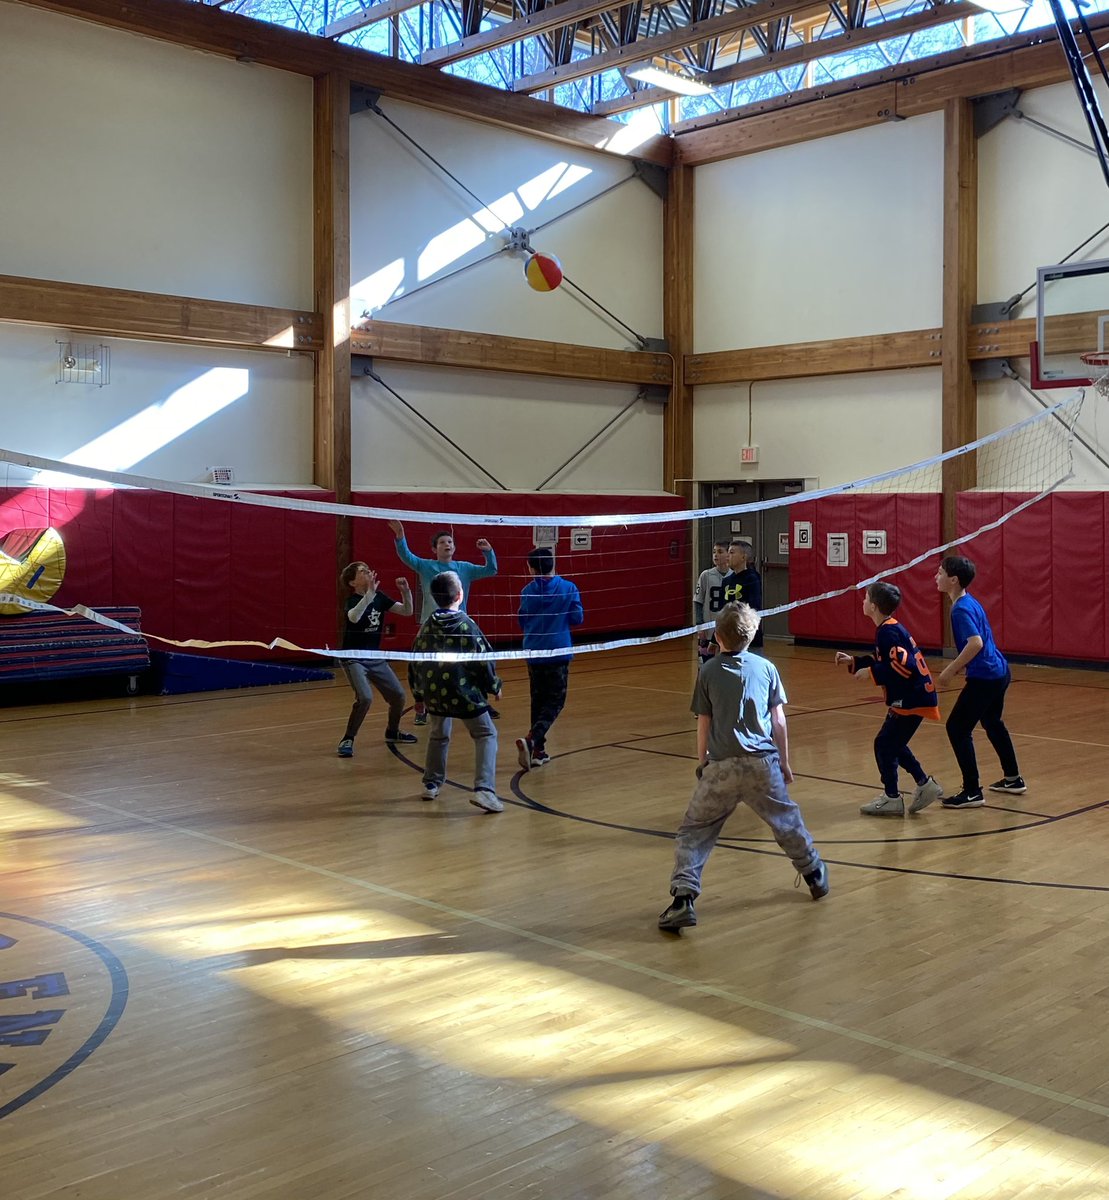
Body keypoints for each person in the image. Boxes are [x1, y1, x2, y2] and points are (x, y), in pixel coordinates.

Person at [657, 602, 829, 933]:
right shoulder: (766, 668)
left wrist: (702, 762)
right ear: (753, 636)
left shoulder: (707, 671)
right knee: (786, 821)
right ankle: (814, 873)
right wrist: (786, 763)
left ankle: (683, 898)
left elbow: (703, 722)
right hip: (763, 765)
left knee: (695, 831)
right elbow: (779, 721)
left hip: (721, 767)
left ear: (717, 636)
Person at [834, 581, 943, 817]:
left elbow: (905, 666)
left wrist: (872, 673)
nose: (862, 601)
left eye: (865, 598)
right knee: (892, 743)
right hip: (912, 696)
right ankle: (924, 784)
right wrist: (854, 662)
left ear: (873, 606)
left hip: (911, 698)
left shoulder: (888, 631)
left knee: (884, 744)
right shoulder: (888, 629)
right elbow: (883, 659)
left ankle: (892, 797)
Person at [387, 519, 498, 725]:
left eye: (450, 542)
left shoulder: (464, 568)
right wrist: (401, 535)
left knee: (469, 663)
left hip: (458, 627)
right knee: (426, 665)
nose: (447, 545)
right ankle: (422, 707)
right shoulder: (426, 566)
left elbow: (491, 570)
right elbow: (406, 556)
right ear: (434, 548)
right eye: (442, 542)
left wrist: (488, 551)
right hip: (432, 627)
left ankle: (481, 701)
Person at [935, 555, 1025, 808]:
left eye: (940, 572)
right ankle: (1013, 778)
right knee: (992, 721)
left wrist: (950, 670)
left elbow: (976, 642)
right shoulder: (968, 602)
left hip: (986, 677)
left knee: (957, 728)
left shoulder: (961, 609)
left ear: (953, 580)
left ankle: (972, 790)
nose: (936, 576)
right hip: (999, 671)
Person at [410, 571, 504, 813]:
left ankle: (430, 784)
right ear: (460, 595)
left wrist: (418, 695)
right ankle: (485, 790)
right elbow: (483, 659)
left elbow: (414, 660)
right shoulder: (466, 625)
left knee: (438, 734)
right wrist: (494, 686)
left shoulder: (427, 626)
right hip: (463, 693)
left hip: (434, 692)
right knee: (486, 734)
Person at [336, 562, 418, 757]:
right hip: (353, 658)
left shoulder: (379, 597)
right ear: (352, 582)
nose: (368, 572)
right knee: (365, 697)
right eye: (362, 571)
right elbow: (354, 617)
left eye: (367, 569)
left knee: (398, 696)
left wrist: (406, 592)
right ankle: (348, 738)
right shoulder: (353, 600)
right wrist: (369, 595)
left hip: (374, 657)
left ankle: (392, 731)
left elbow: (407, 611)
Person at [515, 547, 584, 771]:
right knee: (555, 701)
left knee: (538, 699)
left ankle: (538, 752)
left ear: (531, 568)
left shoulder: (527, 591)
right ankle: (532, 739)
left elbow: (522, 620)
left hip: (534, 652)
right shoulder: (568, 588)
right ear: (553, 563)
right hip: (558, 651)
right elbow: (577, 618)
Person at [721, 540, 764, 649]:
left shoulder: (752, 578)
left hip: (748, 636)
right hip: (728, 636)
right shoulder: (726, 581)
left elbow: (754, 607)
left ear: (743, 557)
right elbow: (722, 611)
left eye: (732, 553)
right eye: (728, 552)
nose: (727, 556)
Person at [693, 541, 730, 664]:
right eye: (714, 552)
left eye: (720, 552)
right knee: (704, 666)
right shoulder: (706, 575)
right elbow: (698, 601)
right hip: (708, 629)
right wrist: (700, 626)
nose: (716, 555)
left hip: (725, 630)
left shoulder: (734, 576)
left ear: (728, 555)